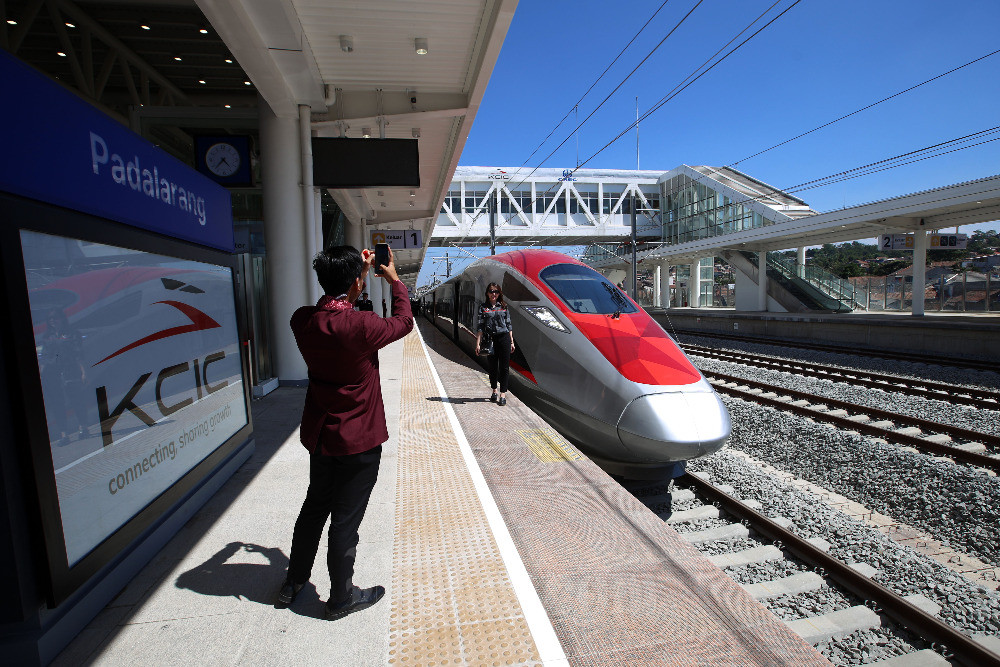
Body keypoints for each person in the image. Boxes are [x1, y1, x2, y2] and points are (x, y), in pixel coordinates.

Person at [279, 245, 413, 620]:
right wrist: (395, 281)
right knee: (345, 520)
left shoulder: (302, 320)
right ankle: (341, 597)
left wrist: (356, 279)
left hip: (321, 436)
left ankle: (293, 582)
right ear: (357, 281)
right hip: (359, 441)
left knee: (313, 509)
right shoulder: (361, 326)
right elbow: (404, 322)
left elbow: (332, 308)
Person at [474, 282, 514, 406]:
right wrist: (478, 344)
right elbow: (480, 326)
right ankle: (494, 391)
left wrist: (512, 341)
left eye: (496, 291)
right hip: (490, 340)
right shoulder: (483, 307)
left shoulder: (504, 306)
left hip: (504, 339)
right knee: (492, 368)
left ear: (499, 293)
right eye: (491, 291)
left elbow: (509, 325)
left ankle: (503, 394)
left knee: (504, 367)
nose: (494, 294)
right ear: (487, 293)